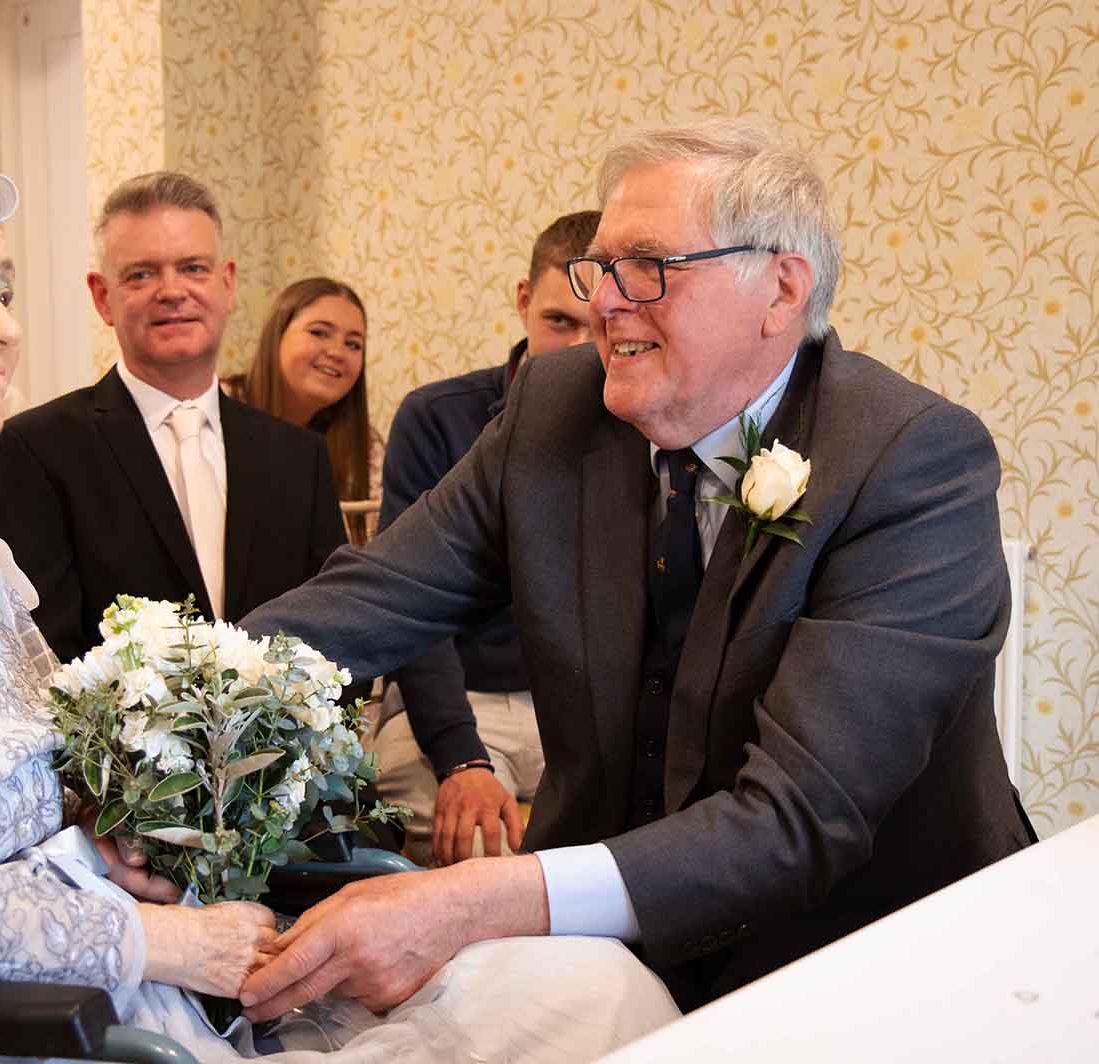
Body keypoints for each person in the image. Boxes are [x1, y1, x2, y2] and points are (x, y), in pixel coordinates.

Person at [0, 70, 679, 1064]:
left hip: (104, 986)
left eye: (2, 287)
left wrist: (130, 853)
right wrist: (170, 943)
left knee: (593, 985)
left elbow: (62, 795)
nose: (1, 322)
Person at [239, 118, 1032, 1020]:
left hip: (870, 957)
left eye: (648, 265)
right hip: (608, 958)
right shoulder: (555, 408)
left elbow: (799, 819)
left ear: (781, 289)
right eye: (601, 267)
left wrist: (471, 901)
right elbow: (367, 603)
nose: (606, 302)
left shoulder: (912, 461)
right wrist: (148, 725)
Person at [0, 174, 349, 664]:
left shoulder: (298, 456)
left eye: (193, 268)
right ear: (102, 297)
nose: (172, 291)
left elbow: (336, 628)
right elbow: (41, 657)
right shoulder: (33, 451)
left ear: (227, 283)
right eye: (141, 274)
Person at [372, 211, 601, 866]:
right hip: (455, 699)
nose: (581, 349)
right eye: (560, 322)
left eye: (599, 326)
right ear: (524, 301)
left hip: (574, 708)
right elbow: (409, 606)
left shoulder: (642, 422)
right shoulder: (437, 417)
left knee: (622, 858)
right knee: (480, 858)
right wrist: (462, 758)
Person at [223, 277, 382, 545]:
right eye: (319, 333)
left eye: (353, 344)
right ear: (278, 334)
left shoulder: (367, 448)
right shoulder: (218, 407)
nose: (338, 352)